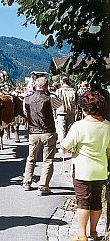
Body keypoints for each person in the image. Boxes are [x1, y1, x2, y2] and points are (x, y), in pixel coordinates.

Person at [60, 91, 110, 241]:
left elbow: (64, 147)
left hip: (82, 170)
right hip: (100, 170)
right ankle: (93, 232)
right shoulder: (107, 126)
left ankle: (82, 235)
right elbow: (108, 150)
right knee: (96, 201)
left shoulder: (79, 126)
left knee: (83, 202)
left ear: (86, 108)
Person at [22, 77, 59, 196]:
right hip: (48, 131)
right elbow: (60, 103)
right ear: (46, 86)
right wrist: (49, 93)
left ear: (35, 86)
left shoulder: (26, 99)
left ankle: (27, 182)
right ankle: (43, 186)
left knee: (31, 158)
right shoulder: (50, 99)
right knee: (47, 160)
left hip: (33, 132)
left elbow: (25, 112)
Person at [56, 76, 77, 144]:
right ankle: (69, 146)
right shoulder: (73, 90)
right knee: (70, 130)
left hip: (61, 112)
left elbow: (55, 101)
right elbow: (77, 100)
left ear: (62, 81)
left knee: (62, 131)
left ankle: (63, 146)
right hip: (71, 112)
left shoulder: (59, 91)